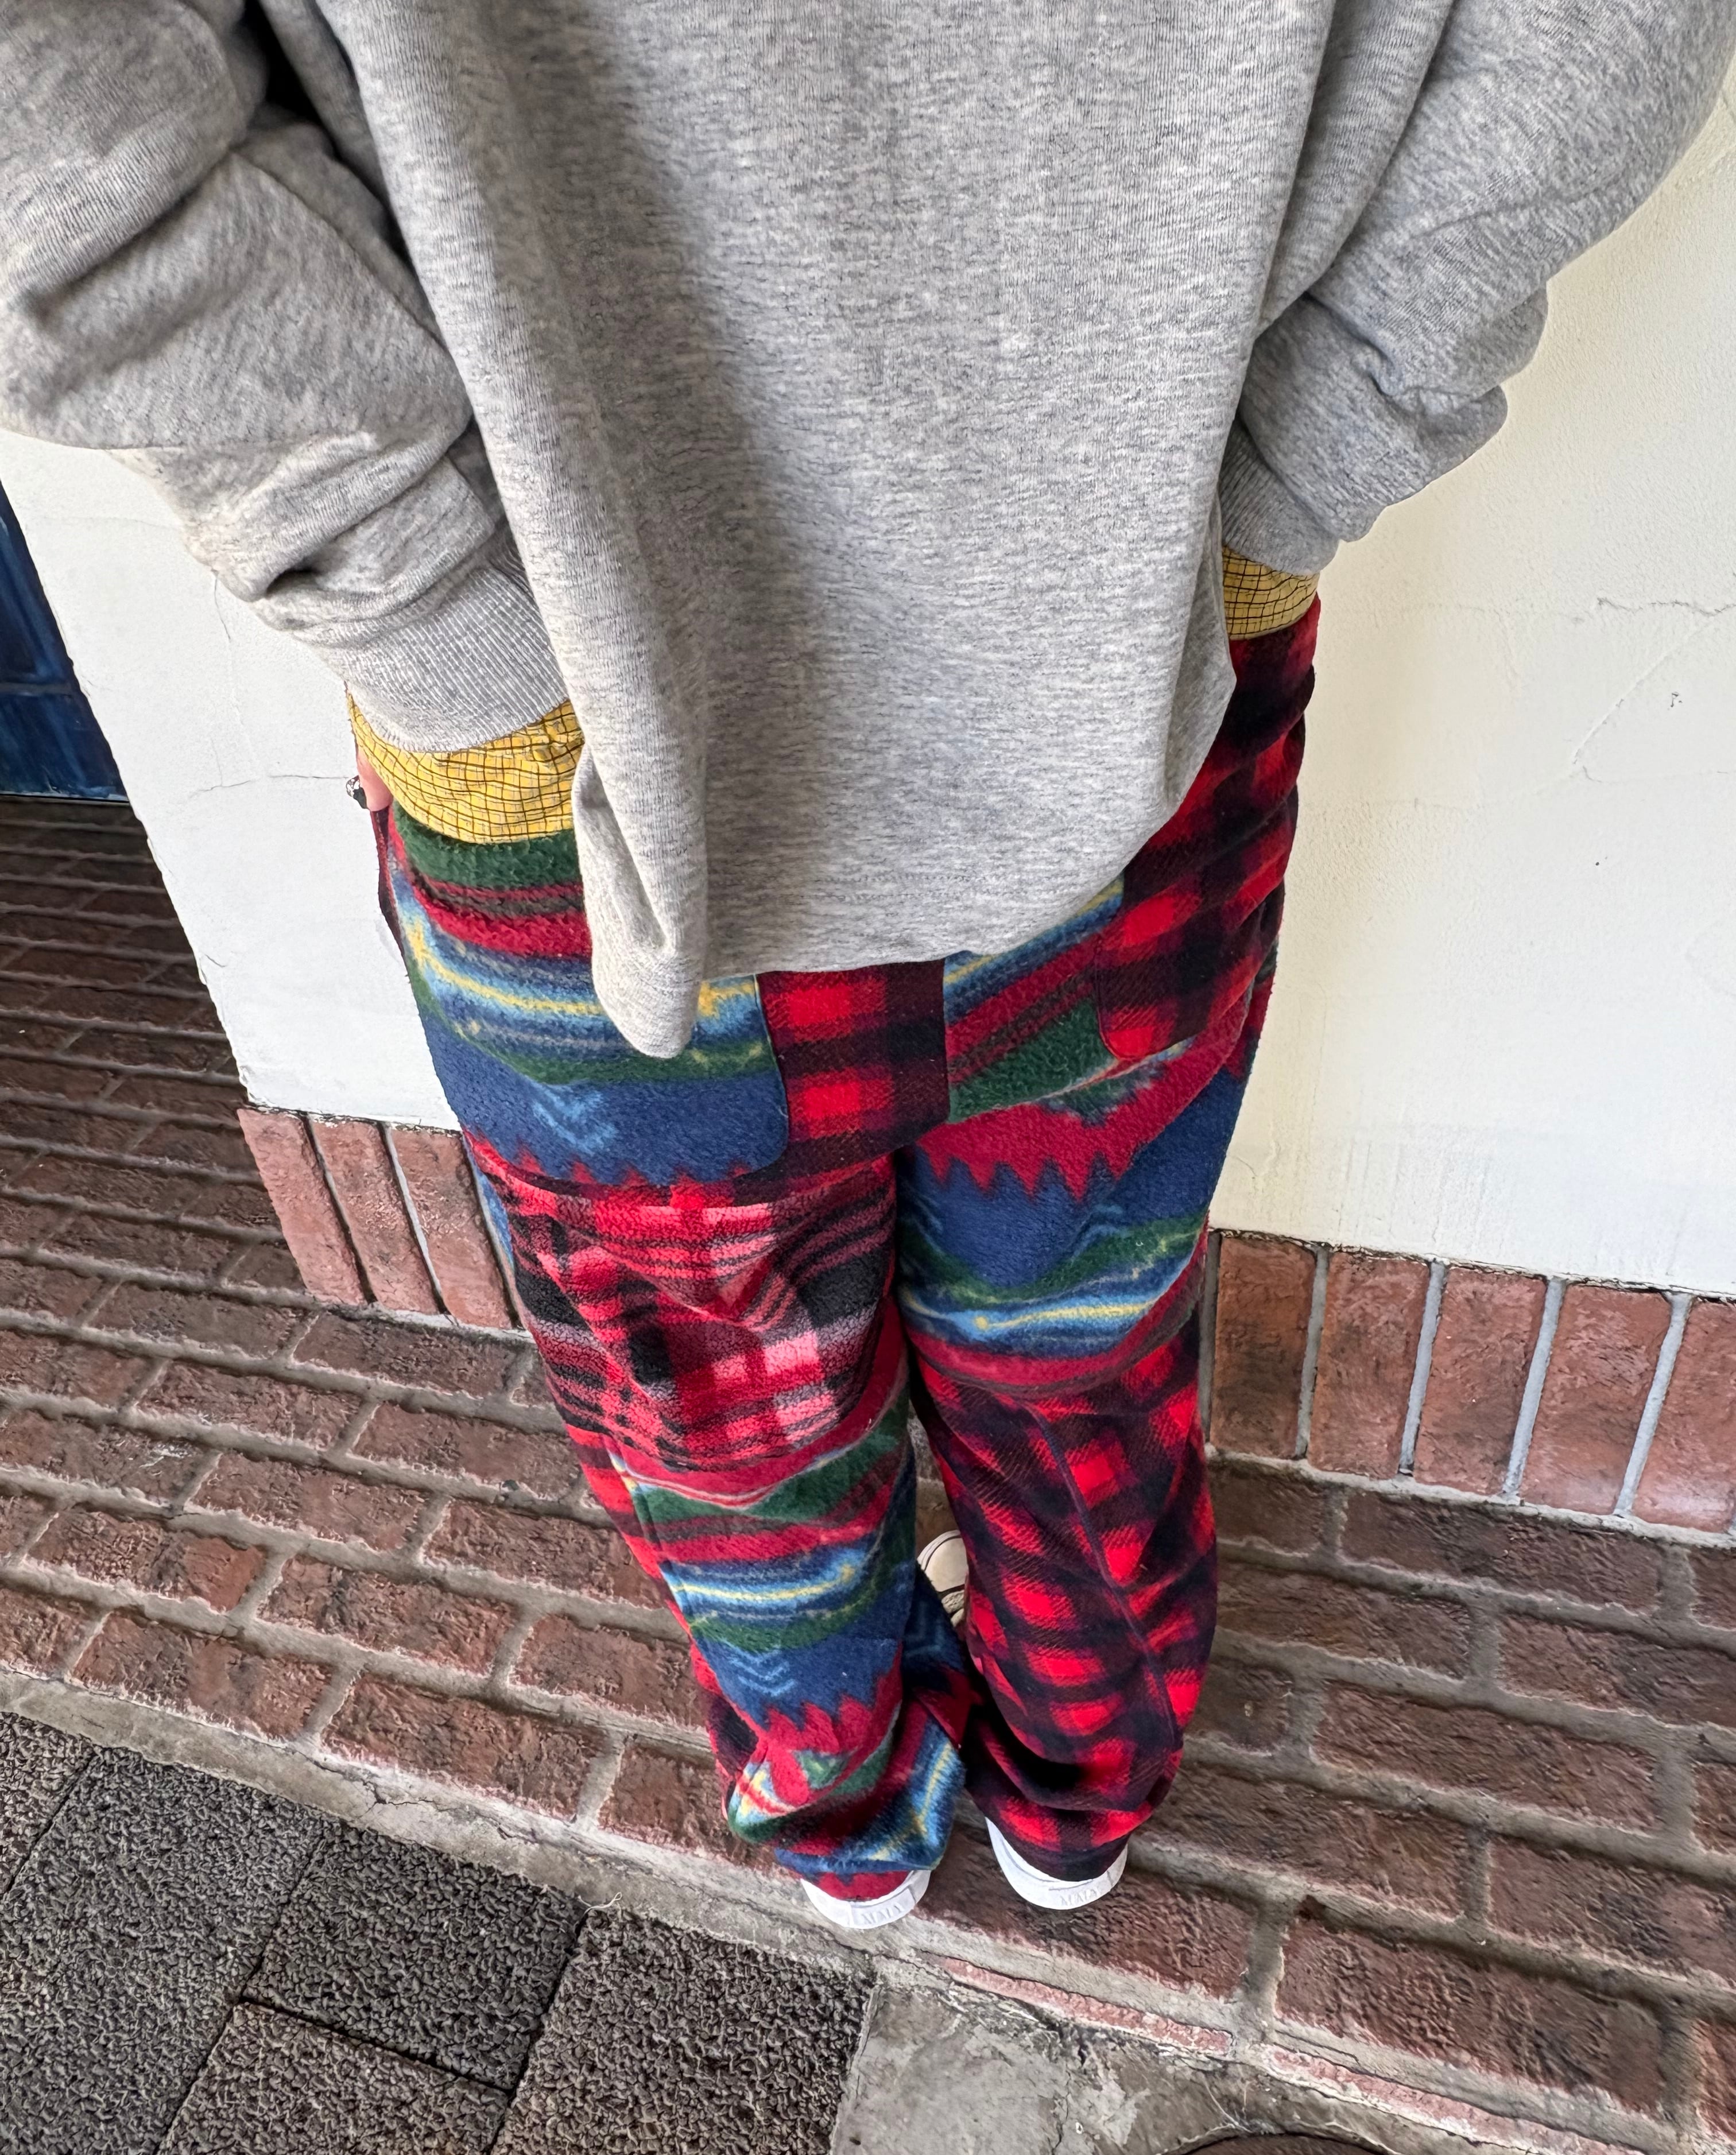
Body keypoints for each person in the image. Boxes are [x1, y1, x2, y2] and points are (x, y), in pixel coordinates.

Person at [2, 3, 1729, 1933]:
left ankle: (854, 1822)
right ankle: (1076, 1793)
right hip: (1101, 669)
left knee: (725, 1424)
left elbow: (48, 116)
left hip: (600, 748)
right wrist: (1279, 485)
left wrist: (432, 612)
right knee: (1075, 1347)